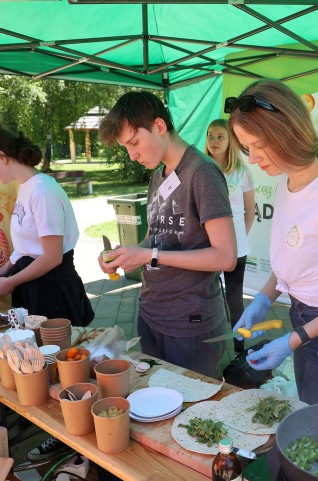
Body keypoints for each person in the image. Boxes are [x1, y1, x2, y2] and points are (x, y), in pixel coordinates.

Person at [226, 80, 318, 405]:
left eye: (257, 146)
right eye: (246, 148)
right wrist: (264, 299)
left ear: (286, 131)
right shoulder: (288, 184)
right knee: (309, 406)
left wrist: (295, 339)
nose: (252, 159)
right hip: (302, 317)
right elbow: (292, 264)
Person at [98, 91, 236, 380]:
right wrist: (130, 254)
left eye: (134, 143)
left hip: (190, 323)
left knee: (192, 414)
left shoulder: (203, 173)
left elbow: (226, 257)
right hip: (152, 313)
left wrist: (150, 255)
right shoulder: (159, 176)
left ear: (159, 127)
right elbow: (157, 237)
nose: (132, 155)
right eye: (126, 147)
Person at [0, 128, 95, 461]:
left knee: (64, 368)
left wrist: (9, 283)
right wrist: (4, 272)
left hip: (53, 288)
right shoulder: (25, 188)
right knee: (42, 366)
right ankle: (60, 434)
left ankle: (75, 440)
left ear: (2, 157)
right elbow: (24, 248)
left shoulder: (43, 190)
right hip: (32, 285)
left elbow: (51, 255)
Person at [205, 118, 255, 353]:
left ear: (230, 141)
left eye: (220, 137)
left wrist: (238, 240)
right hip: (206, 248)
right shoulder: (201, 170)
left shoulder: (241, 172)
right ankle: (208, 345)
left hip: (237, 249)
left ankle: (240, 348)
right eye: (210, 135)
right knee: (207, 296)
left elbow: (250, 211)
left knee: (234, 299)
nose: (214, 141)